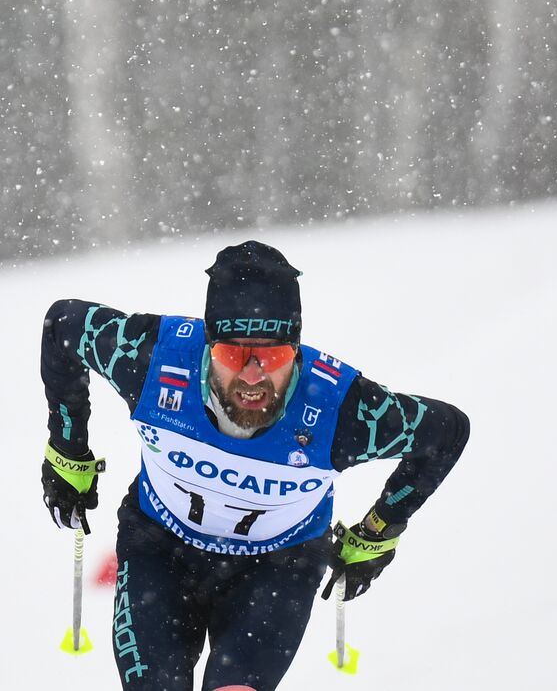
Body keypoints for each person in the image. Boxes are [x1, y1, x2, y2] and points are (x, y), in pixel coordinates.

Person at [39, 241, 471, 690]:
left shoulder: (343, 410)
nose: (252, 375)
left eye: (272, 356)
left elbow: (447, 434)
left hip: (275, 566)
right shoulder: (150, 359)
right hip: (160, 549)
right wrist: (68, 450)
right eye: (232, 355)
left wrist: (380, 530)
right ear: (208, 345)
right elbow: (62, 325)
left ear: (296, 351)